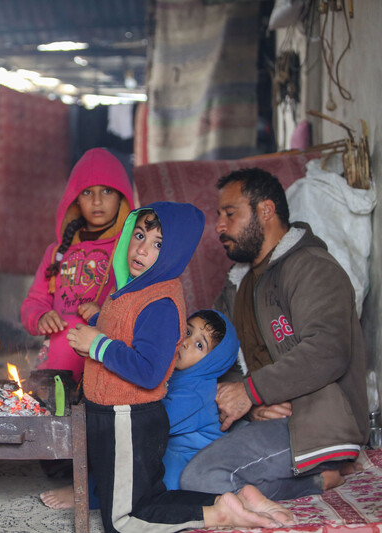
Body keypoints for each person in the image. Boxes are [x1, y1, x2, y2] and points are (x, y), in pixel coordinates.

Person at [65, 202, 295, 533]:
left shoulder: (159, 303)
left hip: (128, 416)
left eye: (158, 244)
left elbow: (149, 371)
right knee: (143, 500)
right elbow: (127, 331)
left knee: (121, 520)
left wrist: (97, 344)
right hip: (113, 414)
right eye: (140, 235)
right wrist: (98, 322)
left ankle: (217, 515)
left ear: (173, 253)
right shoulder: (133, 290)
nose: (142, 248)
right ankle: (223, 503)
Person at [179, 167, 369, 501]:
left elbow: (328, 350)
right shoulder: (237, 284)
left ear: (266, 211)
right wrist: (252, 404)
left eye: (230, 213)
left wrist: (251, 391)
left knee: (199, 478)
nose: (220, 226)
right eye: (219, 215)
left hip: (314, 422)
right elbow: (222, 362)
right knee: (172, 457)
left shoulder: (312, 267)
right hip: (261, 415)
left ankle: (315, 481)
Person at [21, 147, 135, 383]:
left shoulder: (131, 249)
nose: (96, 201)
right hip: (55, 366)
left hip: (104, 366)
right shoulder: (56, 252)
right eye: (87, 193)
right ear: (74, 198)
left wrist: (105, 312)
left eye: (106, 191)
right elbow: (34, 301)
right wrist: (40, 317)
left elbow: (138, 304)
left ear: (122, 196)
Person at [162, 309, 238, 490]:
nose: (186, 343)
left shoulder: (196, 392)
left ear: (212, 362)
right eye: (187, 332)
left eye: (199, 345)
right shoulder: (176, 372)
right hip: (173, 449)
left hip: (193, 463)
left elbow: (153, 422)